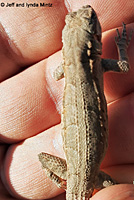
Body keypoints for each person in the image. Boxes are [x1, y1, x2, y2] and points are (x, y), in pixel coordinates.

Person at [0, 0, 134, 199]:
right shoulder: (96, 64)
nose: (88, 11)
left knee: (42, 158)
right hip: (86, 178)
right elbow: (124, 67)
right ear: (94, 42)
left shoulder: (74, 66)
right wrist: (121, 46)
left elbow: (55, 74)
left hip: (77, 178)